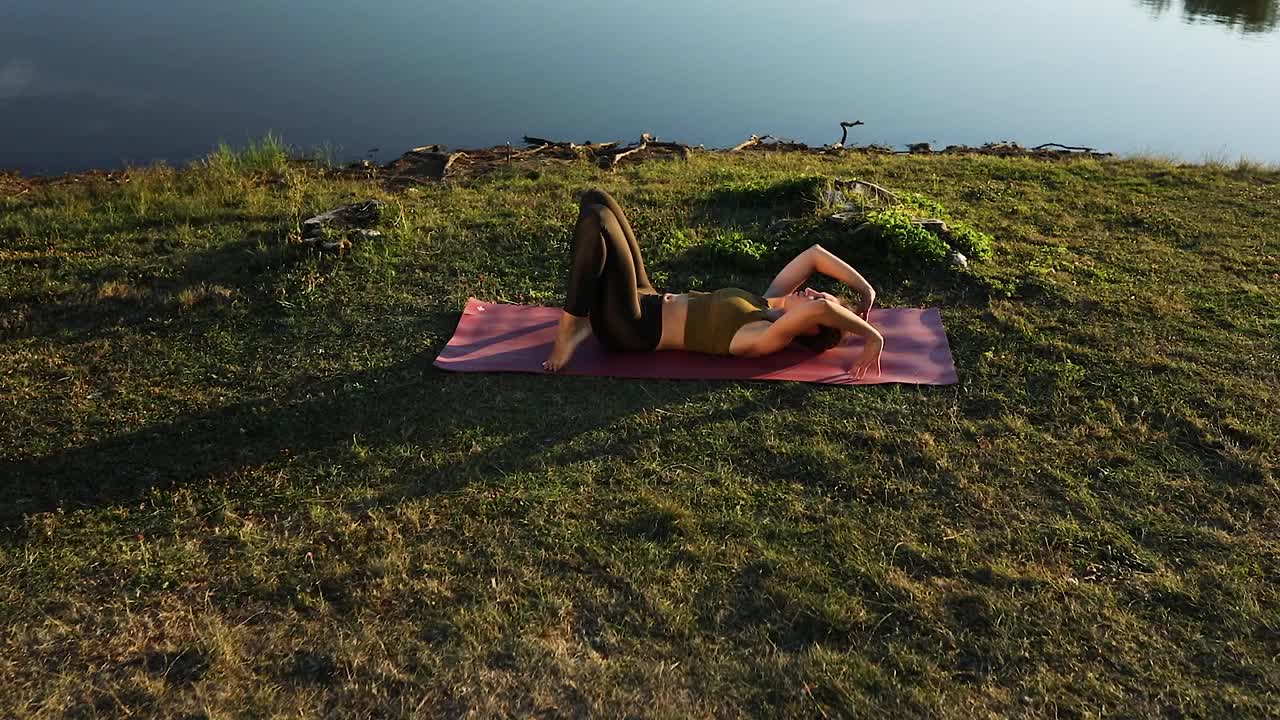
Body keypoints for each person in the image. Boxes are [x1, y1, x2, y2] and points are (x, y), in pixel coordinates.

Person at [543, 188, 883, 379]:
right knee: (596, 198)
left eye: (814, 298)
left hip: (631, 328)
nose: (810, 291)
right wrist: (865, 290)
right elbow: (814, 255)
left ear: (811, 325)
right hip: (645, 297)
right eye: (815, 290)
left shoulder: (764, 339)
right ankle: (581, 321)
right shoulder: (768, 305)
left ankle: (572, 325)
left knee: (596, 221)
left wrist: (872, 336)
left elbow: (823, 308)